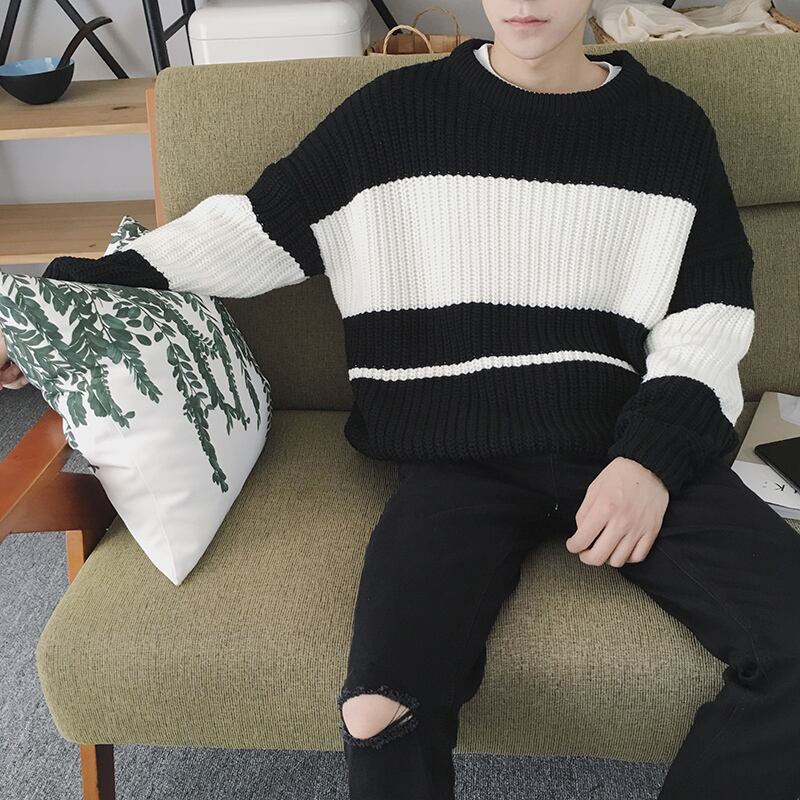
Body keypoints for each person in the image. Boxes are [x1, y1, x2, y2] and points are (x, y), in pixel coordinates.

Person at [3, 1, 800, 797]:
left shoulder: (670, 128)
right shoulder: (394, 114)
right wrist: (50, 304)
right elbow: (246, 233)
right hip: (455, 460)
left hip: (622, 442)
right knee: (379, 710)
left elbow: (710, 317)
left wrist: (649, 461)